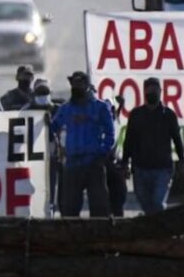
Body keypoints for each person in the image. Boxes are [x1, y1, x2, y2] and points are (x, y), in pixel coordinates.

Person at [50, 71, 115, 217]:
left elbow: (110, 134)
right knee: (69, 209)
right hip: (72, 163)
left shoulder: (100, 107)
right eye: (73, 83)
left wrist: (102, 152)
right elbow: (52, 128)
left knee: (99, 208)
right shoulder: (66, 108)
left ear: (86, 85)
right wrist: (42, 119)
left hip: (93, 163)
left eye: (79, 83)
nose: (76, 86)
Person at [122, 77, 184, 215]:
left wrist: (182, 160)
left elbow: (177, 139)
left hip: (162, 168)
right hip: (140, 168)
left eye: (155, 89)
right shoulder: (136, 115)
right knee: (145, 203)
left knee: (157, 203)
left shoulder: (169, 115)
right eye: (149, 89)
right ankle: (153, 232)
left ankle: (160, 232)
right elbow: (129, 141)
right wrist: (124, 163)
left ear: (160, 91)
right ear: (144, 92)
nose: (152, 92)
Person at [22, 79, 59, 216]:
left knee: (51, 185)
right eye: (40, 92)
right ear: (34, 94)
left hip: (52, 154)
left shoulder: (57, 109)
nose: (43, 94)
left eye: (45, 92)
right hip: (32, 156)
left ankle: (51, 211)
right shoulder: (25, 110)